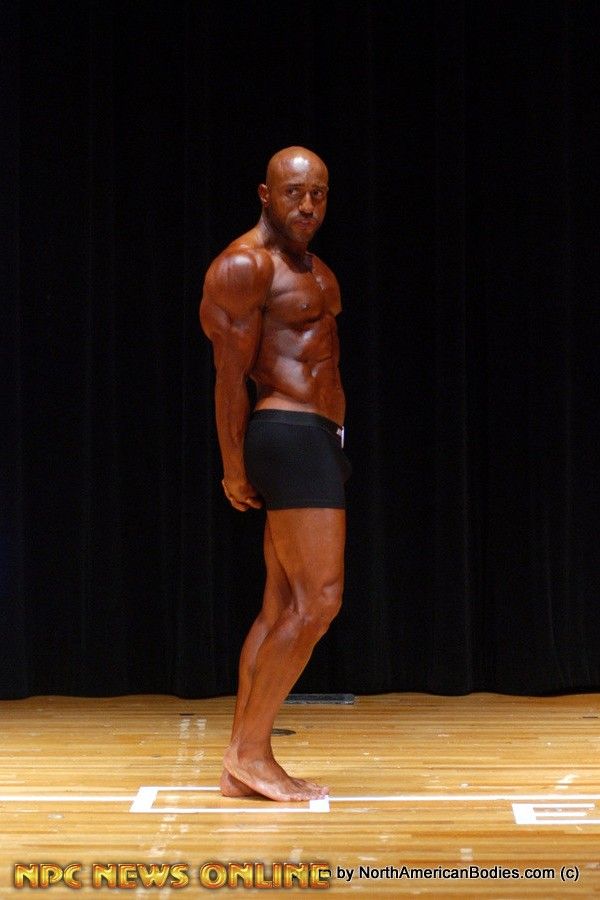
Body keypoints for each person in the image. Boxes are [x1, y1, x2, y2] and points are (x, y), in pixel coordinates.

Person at [199, 146, 350, 802]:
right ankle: (251, 753)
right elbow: (228, 377)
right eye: (294, 193)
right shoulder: (245, 266)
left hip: (317, 438)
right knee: (320, 600)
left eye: (318, 194)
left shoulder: (316, 270)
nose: (308, 205)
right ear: (266, 194)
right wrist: (233, 467)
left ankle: (240, 763)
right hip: (286, 435)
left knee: (280, 607)